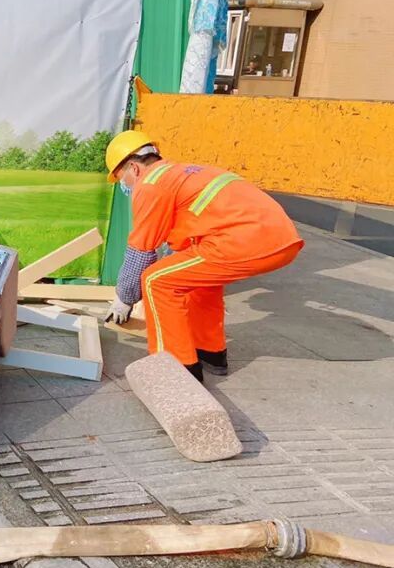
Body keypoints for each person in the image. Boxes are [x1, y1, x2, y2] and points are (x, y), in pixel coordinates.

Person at [103, 130, 303, 381]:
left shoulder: (150, 184)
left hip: (245, 239)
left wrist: (124, 297)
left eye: (121, 178)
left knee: (156, 281)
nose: (124, 185)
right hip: (280, 236)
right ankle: (210, 351)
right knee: (197, 280)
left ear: (133, 168)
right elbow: (182, 241)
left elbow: (141, 249)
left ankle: (175, 368)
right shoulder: (183, 173)